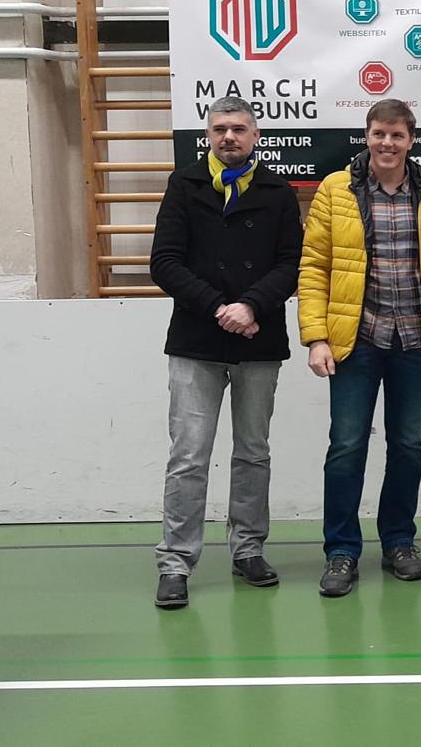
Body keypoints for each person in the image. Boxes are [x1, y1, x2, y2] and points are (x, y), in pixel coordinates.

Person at [298, 99, 421, 598]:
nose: (387, 143)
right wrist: (316, 336)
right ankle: (341, 551)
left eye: (397, 135)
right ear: (367, 136)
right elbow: (314, 266)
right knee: (346, 446)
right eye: (379, 133)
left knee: (408, 445)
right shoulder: (335, 189)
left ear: (411, 140)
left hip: (416, 340)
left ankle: (399, 542)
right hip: (356, 341)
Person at [149, 96, 302, 609]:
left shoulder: (278, 191)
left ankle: (248, 549)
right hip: (197, 342)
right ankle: (175, 562)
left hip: (259, 339)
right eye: (219, 129)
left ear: (255, 136)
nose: (228, 137)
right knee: (188, 456)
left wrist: (251, 305)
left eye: (238, 129)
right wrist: (220, 308)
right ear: (208, 136)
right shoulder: (184, 185)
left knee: (253, 452)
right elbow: (164, 262)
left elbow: (291, 263)